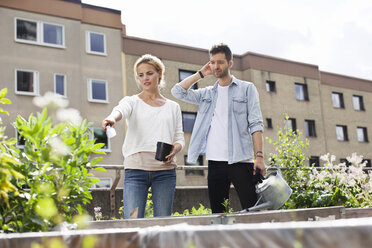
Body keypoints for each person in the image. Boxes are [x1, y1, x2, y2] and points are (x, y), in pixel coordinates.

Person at [171, 43, 265, 213]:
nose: (215, 66)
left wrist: (259, 157)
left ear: (230, 63)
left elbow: (256, 124)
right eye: (212, 62)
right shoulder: (207, 94)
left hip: (241, 160)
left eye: (220, 62)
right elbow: (177, 92)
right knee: (218, 213)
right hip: (215, 162)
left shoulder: (247, 89)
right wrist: (200, 74)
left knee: (253, 211)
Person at [102, 54, 184, 219]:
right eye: (141, 75)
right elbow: (120, 110)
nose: (145, 78)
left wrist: (175, 149)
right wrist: (111, 118)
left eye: (149, 73)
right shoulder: (132, 101)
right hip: (135, 171)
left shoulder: (173, 107)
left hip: (164, 172)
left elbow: (179, 138)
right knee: (133, 223)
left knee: (162, 223)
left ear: (159, 73)